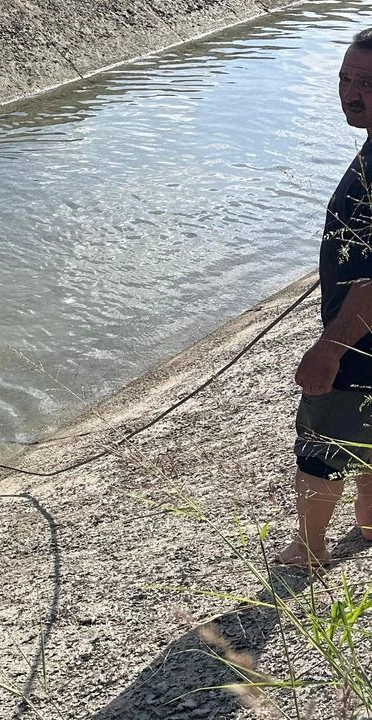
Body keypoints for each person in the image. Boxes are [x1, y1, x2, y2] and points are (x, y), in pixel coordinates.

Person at [276, 28, 372, 568]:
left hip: (358, 338)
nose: (350, 92)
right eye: (344, 78)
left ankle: (309, 547)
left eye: (367, 83)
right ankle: (369, 522)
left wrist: (330, 347)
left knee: (321, 440)